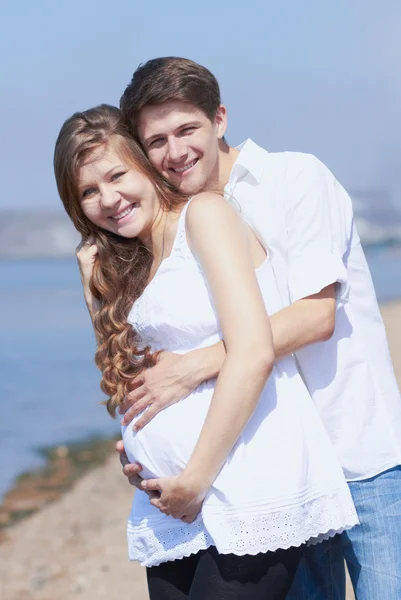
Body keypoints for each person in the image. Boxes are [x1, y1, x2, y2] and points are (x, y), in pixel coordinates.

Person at [116, 57, 401, 599]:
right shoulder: (177, 222)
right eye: (156, 141)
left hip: (357, 455)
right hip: (274, 473)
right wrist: (144, 436)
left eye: (187, 129)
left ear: (219, 119)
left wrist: (193, 368)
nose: (175, 152)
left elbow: (316, 316)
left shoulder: (295, 177)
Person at [54, 104, 358, 600]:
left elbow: (253, 351)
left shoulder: (205, 216)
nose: (108, 199)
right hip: (171, 501)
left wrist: (194, 479)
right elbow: (127, 380)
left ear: (145, 166)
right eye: (88, 191)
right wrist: (135, 446)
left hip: (242, 481)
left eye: (116, 176)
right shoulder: (123, 260)